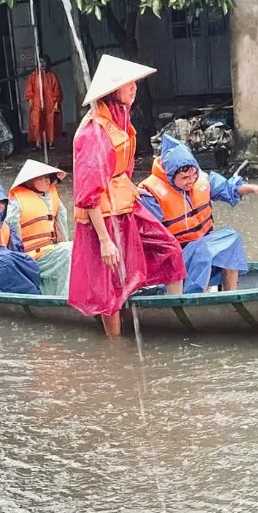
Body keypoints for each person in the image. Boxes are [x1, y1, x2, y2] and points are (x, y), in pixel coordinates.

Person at [69, 54, 186, 336]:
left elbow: (120, 170)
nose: (134, 88)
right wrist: (105, 240)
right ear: (112, 91)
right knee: (109, 286)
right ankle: (116, 349)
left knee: (169, 249)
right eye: (127, 84)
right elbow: (88, 193)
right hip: (103, 216)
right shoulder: (94, 132)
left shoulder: (120, 118)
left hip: (124, 204)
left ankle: (176, 317)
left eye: (134, 83)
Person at [139, 135, 258, 294]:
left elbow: (229, 189)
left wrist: (253, 189)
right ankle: (198, 297)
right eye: (184, 178)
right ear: (170, 176)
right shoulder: (150, 194)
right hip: (175, 256)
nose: (191, 181)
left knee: (231, 238)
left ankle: (230, 294)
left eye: (193, 175)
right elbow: (146, 234)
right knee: (205, 251)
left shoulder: (201, 180)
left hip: (202, 247)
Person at [6, 159, 72, 296]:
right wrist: (19, 261)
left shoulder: (53, 195)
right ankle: (64, 298)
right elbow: (11, 232)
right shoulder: (16, 201)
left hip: (54, 250)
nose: (47, 180)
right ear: (30, 181)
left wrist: (65, 245)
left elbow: (62, 225)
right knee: (67, 251)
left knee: (73, 248)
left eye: (48, 177)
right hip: (32, 256)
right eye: (42, 178)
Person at [25, 54, 63, 151]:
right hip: (37, 103)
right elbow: (29, 89)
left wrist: (56, 103)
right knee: (36, 122)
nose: (41, 64)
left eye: (43, 62)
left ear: (47, 63)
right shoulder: (33, 76)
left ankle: (51, 142)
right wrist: (30, 100)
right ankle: (38, 143)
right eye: (40, 62)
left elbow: (57, 90)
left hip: (49, 104)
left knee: (50, 122)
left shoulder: (52, 76)